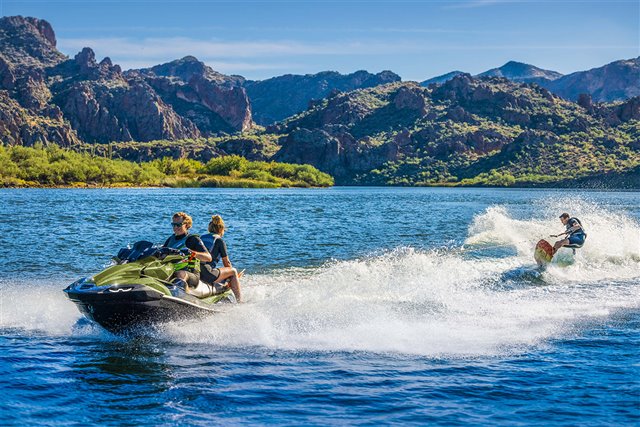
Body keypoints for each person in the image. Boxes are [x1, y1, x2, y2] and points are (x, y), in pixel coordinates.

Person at [162, 212, 212, 292]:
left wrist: (192, 253)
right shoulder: (170, 239)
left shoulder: (193, 239)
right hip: (171, 271)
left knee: (180, 274)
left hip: (190, 274)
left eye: (178, 225)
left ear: (186, 225)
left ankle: (181, 296)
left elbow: (208, 257)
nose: (175, 227)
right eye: (173, 224)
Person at [199, 214, 243, 302]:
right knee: (233, 271)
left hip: (196, 271)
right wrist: (235, 276)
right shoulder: (219, 241)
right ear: (221, 229)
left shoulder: (201, 238)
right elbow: (227, 263)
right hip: (207, 274)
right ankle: (240, 301)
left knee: (220, 271)